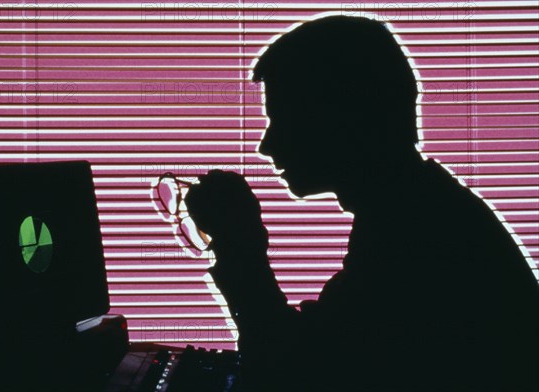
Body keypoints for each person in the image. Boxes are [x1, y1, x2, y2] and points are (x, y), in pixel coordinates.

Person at [184, 16, 539, 392]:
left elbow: (294, 373)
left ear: (343, 119)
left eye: (285, 120)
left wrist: (241, 249)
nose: (266, 145)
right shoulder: (421, 210)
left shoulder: (417, 238)